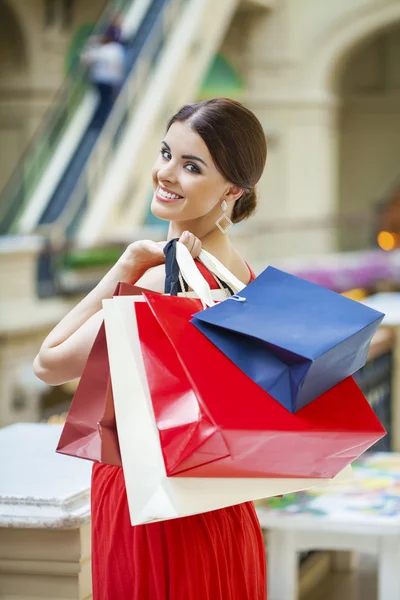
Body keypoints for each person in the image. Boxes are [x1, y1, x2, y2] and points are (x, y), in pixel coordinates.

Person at [33, 98, 268, 599]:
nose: (166, 173)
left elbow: (48, 364)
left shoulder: (163, 280)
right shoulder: (242, 274)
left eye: (191, 166)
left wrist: (123, 272)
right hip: (221, 502)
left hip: (151, 504)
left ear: (232, 189)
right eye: (166, 153)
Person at [81, 32, 125, 129]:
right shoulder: (116, 49)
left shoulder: (100, 50)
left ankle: (96, 123)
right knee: (106, 102)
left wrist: (90, 44)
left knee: (101, 101)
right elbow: (118, 66)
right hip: (110, 80)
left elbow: (86, 60)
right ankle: (103, 122)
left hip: (99, 79)